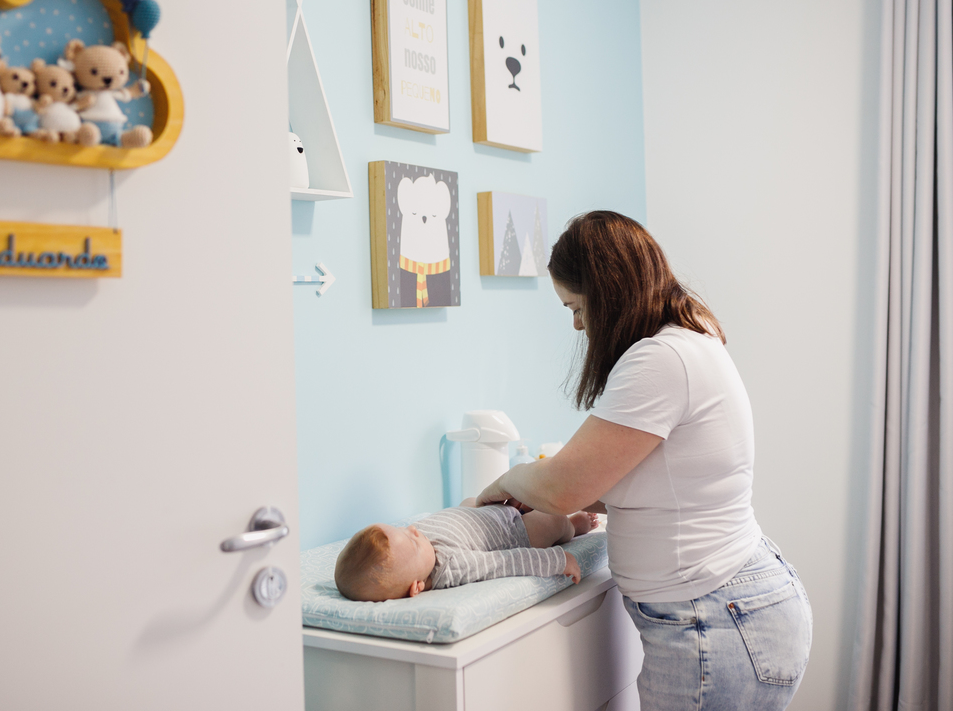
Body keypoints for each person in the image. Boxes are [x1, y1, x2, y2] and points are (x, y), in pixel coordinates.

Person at [475, 211, 812, 711]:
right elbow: (646, 483)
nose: (575, 323)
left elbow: (564, 488)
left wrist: (506, 479)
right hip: (726, 606)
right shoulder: (684, 342)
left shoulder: (660, 360)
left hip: (716, 616)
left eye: (575, 305)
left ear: (605, 293)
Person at [333, 501, 597, 602]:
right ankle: (574, 525)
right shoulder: (451, 566)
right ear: (416, 587)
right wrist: (557, 559)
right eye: (411, 541)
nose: (413, 529)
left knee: (470, 500)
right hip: (515, 533)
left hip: (482, 514)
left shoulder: (416, 541)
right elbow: (503, 562)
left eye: (401, 529)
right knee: (550, 520)